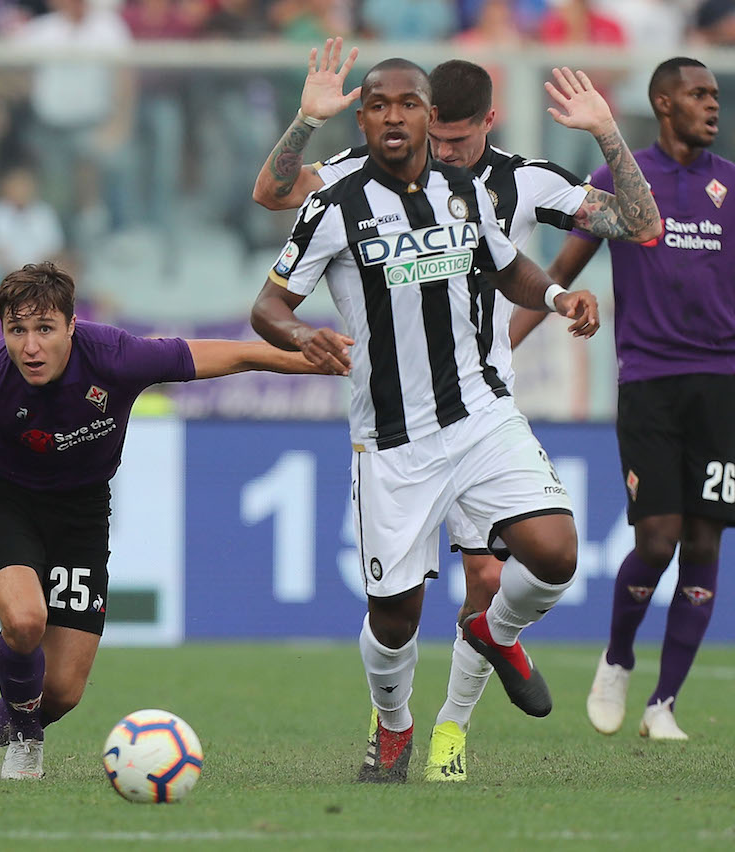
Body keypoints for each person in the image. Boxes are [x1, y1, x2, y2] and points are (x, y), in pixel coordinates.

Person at [253, 42, 660, 781]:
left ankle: (489, 631)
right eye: (380, 105)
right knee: (395, 618)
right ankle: (397, 725)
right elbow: (269, 294)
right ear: (367, 119)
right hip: (392, 440)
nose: (399, 119)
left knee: (556, 554)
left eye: (411, 105)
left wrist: (554, 295)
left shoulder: (474, 192)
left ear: (435, 113)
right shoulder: (337, 198)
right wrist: (303, 334)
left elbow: (510, 265)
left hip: (481, 413)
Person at [0, 260, 340, 781]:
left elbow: (236, 355)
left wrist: (316, 361)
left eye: (44, 329)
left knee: (58, 693)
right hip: (3, 500)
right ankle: (27, 744)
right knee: (25, 621)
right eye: (17, 331)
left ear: (71, 325)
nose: (30, 346)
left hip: (80, 511)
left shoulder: (117, 357)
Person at [513, 58, 731, 742]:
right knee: (658, 537)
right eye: (699, 95)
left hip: (722, 383)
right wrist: (497, 351)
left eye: (715, 96)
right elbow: (559, 273)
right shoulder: (623, 179)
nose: (712, 106)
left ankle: (663, 704)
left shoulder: (732, 182)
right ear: (663, 103)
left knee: (705, 539)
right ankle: (617, 658)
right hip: (648, 382)